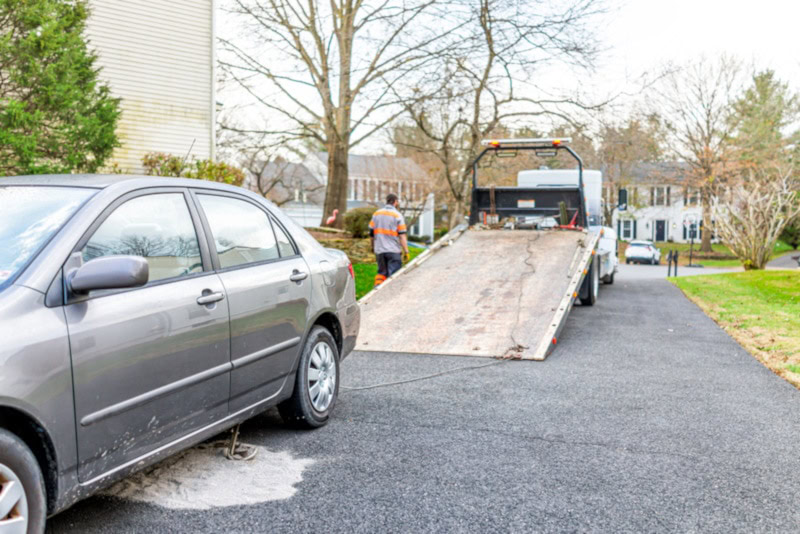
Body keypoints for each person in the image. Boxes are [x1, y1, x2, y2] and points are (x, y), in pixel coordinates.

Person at [369, 193, 409, 286]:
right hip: (393, 251)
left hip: (380, 251)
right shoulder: (397, 215)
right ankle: (391, 293)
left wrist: (373, 247)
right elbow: (402, 235)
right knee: (394, 277)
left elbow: (371, 234)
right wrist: (406, 251)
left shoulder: (376, 214)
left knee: (381, 273)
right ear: (395, 202)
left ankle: (377, 290)